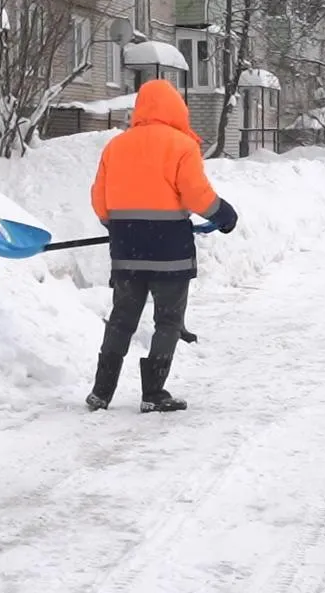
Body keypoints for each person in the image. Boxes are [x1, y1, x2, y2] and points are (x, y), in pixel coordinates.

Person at [87, 79, 239, 414]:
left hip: (127, 252)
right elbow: (197, 196)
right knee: (167, 322)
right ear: (176, 108)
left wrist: (119, 226)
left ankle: (101, 391)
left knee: (121, 320)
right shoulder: (181, 145)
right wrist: (226, 216)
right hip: (170, 253)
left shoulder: (116, 146)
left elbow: (100, 200)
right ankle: (153, 393)